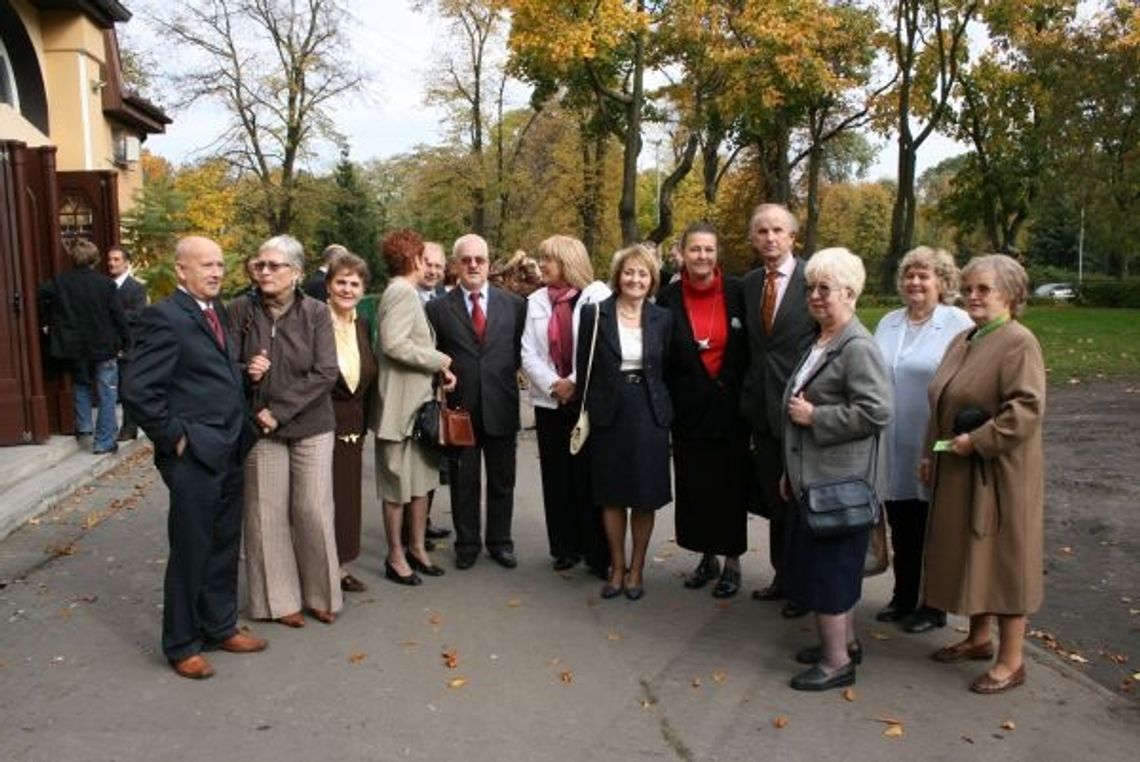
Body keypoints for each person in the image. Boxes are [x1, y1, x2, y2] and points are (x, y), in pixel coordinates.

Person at [121, 236, 265, 680]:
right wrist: (174, 439)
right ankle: (181, 643)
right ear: (181, 270)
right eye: (206, 265)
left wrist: (243, 375)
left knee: (223, 543)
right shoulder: (163, 317)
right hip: (194, 454)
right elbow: (138, 390)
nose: (217, 272)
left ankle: (218, 626)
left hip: (229, 446)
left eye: (221, 264)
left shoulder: (215, 311)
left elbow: (201, 373)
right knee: (191, 549)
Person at [922, 254, 1046, 695]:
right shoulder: (966, 338)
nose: (972, 296)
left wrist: (976, 441)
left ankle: (1011, 662)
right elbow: (940, 398)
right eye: (969, 288)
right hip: (958, 467)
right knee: (975, 554)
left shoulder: (1018, 342)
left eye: (984, 290)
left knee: (1005, 559)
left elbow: (1025, 410)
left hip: (999, 474)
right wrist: (928, 453)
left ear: (1010, 296)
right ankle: (978, 639)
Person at [780, 247, 891, 692]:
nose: (815, 296)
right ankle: (844, 645)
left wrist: (817, 418)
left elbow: (876, 410)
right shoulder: (824, 339)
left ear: (850, 293)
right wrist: (790, 470)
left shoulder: (857, 346)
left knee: (832, 573)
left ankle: (835, 662)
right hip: (817, 479)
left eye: (825, 289)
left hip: (842, 485)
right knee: (830, 570)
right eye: (810, 288)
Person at [227, 235, 342, 627]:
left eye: (274, 265)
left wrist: (278, 411)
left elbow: (326, 371)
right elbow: (223, 365)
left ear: (296, 273)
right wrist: (247, 372)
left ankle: (321, 594)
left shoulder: (316, 312)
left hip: (309, 424)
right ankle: (279, 601)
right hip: (261, 429)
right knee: (265, 514)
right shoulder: (240, 309)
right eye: (260, 264)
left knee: (312, 510)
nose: (264, 271)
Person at [872, 247, 973, 633]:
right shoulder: (889, 322)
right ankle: (903, 595)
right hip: (891, 441)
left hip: (931, 439)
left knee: (934, 526)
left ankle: (934, 605)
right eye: (909, 275)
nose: (915, 282)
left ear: (942, 282)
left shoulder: (957, 322)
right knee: (902, 524)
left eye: (924, 276)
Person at [658, 223, 750, 599]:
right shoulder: (668, 296)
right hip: (688, 408)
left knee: (730, 487)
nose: (702, 257)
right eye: (695, 249)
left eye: (709, 250)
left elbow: (748, 349)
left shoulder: (737, 290)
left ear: (717, 254)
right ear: (682, 253)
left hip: (730, 408)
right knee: (696, 488)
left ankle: (732, 562)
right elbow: (661, 353)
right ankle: (706, 556)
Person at [578, 244, 673, 600]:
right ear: (618, 276)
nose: (635, 279)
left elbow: (669, 370)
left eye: (643, 273)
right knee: (612, 496)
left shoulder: (663, 318)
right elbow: (584, 367)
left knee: (644, 497)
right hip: (609, 415)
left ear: (652, 280)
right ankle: (616, 567)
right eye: (629, 272)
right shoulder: (594, 314)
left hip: (650, 414)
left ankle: (637, 569)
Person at [426, 234, 526, 571]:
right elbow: (433, 355)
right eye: (466, 260)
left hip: (502, 404)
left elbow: (516, 353)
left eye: (479, 260)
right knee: (463, 481)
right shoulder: (438, 308)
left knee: (502, 479)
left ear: (488, 264)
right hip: (461, 409)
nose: (472, 265)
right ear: (456, 265)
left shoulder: (514, 305)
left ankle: (501, 542)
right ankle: (467, 543)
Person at [739, 204, 816, 616]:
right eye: (762, 231)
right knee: (775, 498)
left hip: (802, 409)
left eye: (778, 231)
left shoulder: (813, 281)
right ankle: (782, 576)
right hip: (762, 411)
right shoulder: (749, 284)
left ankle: (805, 584)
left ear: (792, 236)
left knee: (802, 500)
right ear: (754, 238)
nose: (770, 238)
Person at [520, 235, 610, 576]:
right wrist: (553, 385)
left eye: (549, 259)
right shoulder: (536, 301)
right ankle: (564, 547)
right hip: (550, 401)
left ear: (569, 262)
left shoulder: (597, 296)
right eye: (541, 258)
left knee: (588, 477)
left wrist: (574, 381)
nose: (541, 265)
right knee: (556, 477)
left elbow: (600, 346)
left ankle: (596, 550)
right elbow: (527, 351)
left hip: (585, 400)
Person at [372, 229, 456, 585]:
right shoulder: (402, 293)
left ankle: (417, 549)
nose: (430, 266)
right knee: (396, 487)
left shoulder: (403, 292)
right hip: (398, 409)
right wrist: (439, 360)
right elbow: (393, 343)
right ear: (414, 259)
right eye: (424, 258)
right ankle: (396, 555)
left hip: (415, 405)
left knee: (420, 481)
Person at [38, 238, 130, 454]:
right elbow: (118, 316)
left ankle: (84, 428)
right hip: (104, 344)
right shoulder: (106, 284)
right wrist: (126, 341)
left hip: (75, 346)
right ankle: (104, 441)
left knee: (81, 385)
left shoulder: (60, 283)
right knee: (107, 391)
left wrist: (47, 321)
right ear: (95, 259)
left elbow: (41, 294)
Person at [325, 252, 379, 594]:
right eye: (341, 282)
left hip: (353, 427)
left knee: (346, 500)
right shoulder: (315, 321)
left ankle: (340, 566)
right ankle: (319, 569)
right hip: (321, 425)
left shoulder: (361, 325)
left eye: (354, 283)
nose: (347, 289)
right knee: (318, 502)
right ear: (328, 286)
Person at [414, 240, 452, 546]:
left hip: (436, 389)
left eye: (439, 266)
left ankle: (422, 522)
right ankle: (409, 530)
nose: (434, 271)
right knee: (412, 464)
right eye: (428, 264)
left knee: (431, 459)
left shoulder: (441, 297)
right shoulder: (405, 296)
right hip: (412, 389)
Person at [107, 245, 147, 442]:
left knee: (127, 387)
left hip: (129, 344)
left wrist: (113, 315)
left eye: (116, 260)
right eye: (110, 260)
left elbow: (139, 314)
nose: (112, 263)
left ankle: (129, 427)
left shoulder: (136, 287)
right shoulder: (105, 285)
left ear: (126, 262)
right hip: (107, 343)